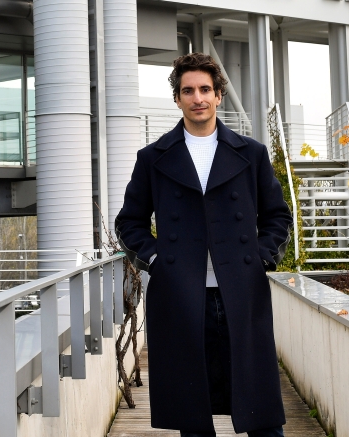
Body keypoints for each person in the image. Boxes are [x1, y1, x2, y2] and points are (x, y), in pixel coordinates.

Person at [115, 53, 292, 437]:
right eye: (188, 90)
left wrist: (261, 257)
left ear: (219, 96)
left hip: (241, 292)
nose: (198, 98)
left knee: (260, 408)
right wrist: (159, 258)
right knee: (192, 413)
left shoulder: (252, 154)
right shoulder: (153, 158)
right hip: (181, 293)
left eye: (205, 90)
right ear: (177, 99)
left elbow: (278, 216)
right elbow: (129, 222)